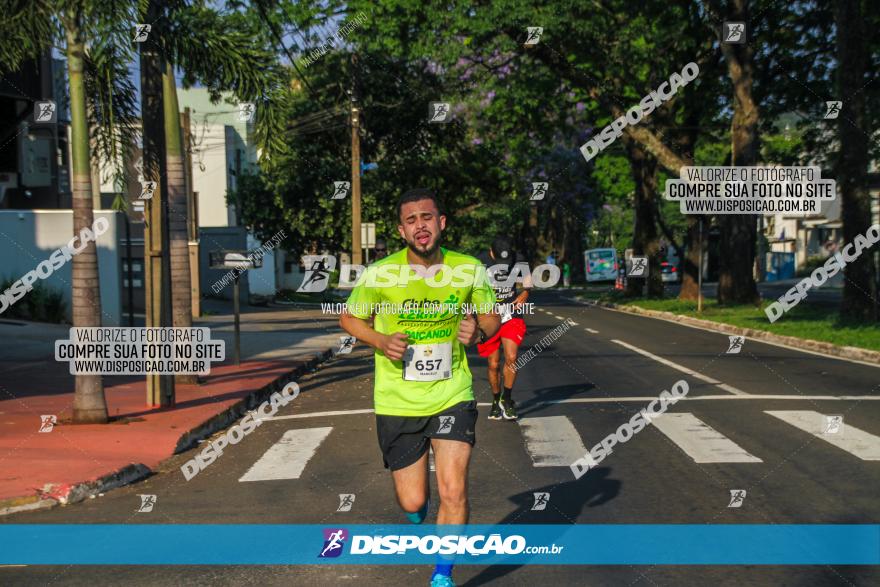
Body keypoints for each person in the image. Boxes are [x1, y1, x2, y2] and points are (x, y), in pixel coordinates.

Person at [340, 188, 500, 587]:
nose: (420, 226)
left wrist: (478, 329)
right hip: (398, 399)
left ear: (441, 222)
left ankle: (443, 573)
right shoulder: (380, 274)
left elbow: (493, 317)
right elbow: (350, 319)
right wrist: (380, 340)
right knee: (413, 502)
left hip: (453, 393)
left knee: (454, 488)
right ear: (401, 230)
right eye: (411, 221)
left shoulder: (469, 269)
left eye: (426, 217)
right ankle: (417, 508)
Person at [478, 237, 531, 421]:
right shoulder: (479, 262)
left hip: (511, 313)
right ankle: (495, 399)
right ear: (490, 252)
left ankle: (507, 399)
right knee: (493, 364)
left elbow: (527, 279)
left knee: (512, 357)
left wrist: (525, 292)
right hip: (489, 316)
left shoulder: (519, 257)